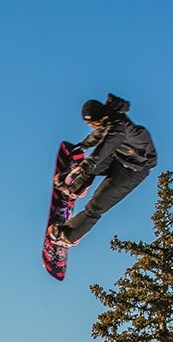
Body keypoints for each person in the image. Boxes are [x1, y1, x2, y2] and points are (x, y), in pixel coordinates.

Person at [48, 93, 157, 247]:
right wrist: (82, 146)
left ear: (100, 118)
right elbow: (99, 134)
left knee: (96, 205)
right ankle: (75, 186)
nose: (91, 127)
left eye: (92, 124)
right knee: (92, 167)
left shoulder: (118, 129)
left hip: (134, 171)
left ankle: (68, 235)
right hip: (120, 157)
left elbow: (105, 146)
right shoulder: (109, 117)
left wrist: (83, 166)